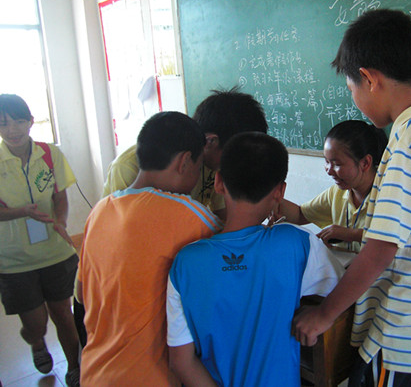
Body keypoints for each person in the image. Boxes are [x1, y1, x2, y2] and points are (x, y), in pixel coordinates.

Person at [292, 9, 411, 387]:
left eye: (352, 90)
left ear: (370, 79)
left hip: (403, 338)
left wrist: (324, 315)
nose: (355, 101)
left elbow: (381, 248)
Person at [166, 132, 344, 387]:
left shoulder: (186, 262)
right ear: (280, 192)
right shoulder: (297, 244)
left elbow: (181, 362)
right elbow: (343, 287)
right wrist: (317, 312)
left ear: (219, 182)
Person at [77, 112, 222, 386]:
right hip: (149, 377)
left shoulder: (99, 211)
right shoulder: (189, 215)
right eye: (199, 166)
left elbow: (83, 295)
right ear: (184, 162)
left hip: (95, 372)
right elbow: (239, 251)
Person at [0, 94, 80, 386]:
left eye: (19, 121)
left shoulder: (49, 154)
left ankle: (75, 367)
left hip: (55, 253)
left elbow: (60, 196)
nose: (12, 130)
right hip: (14, 260)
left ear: (31, 121)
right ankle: (36, 342)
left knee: (64, 315)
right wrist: (22, 212)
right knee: (35, 324)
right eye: (3, 124)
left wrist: (61, 221)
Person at [101, 86, 268, 220]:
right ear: (210, 142)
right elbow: (121, 230)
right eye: (236, 155)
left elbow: (223, 215)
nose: (238, 164)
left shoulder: (214, 164)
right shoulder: (127, 167)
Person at [273, 120, 387, 253]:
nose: (329, 170)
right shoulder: (337, 193)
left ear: (365, 163)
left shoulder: (389, 193)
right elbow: (300, 214)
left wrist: (351, 234)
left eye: (337, 164)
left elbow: (393, 238)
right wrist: (270, 199)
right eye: (326, 161)